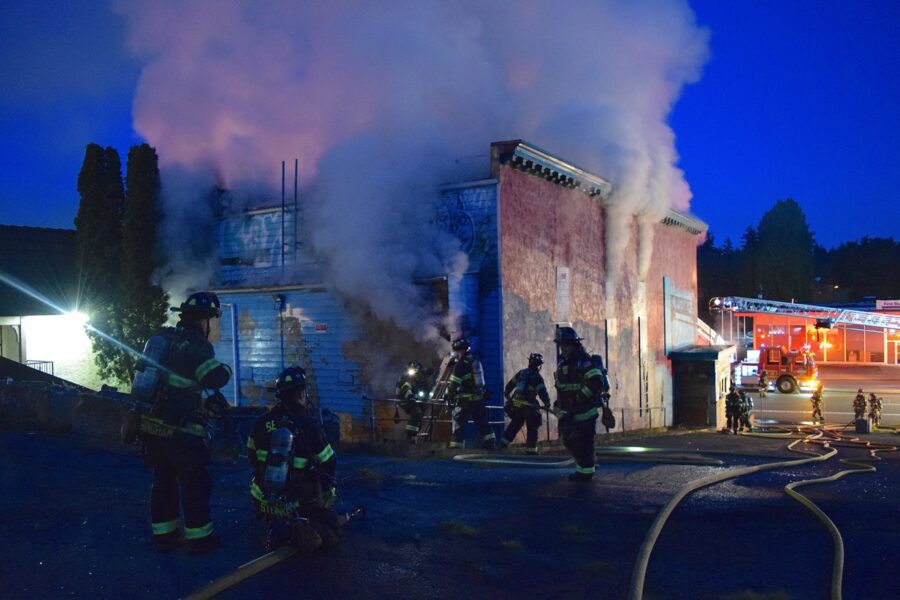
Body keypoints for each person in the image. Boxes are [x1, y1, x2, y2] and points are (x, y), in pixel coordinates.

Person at [141, 291, 232, 554]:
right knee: (195, 484)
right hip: (181, 429)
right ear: (204, 320)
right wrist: (225, 370)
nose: (212, 326)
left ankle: (165, 537)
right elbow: (212, 378)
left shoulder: (162, 339)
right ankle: (199, 539)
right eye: (212, 320)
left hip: (152, 426)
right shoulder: (197, 345)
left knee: (163, 482)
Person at [247, 366, 344, 553]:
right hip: (299, 503)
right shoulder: (309, 424)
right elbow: (329, 462)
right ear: (301, 394)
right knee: (329, 533)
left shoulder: (261, 422)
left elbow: (252, 457)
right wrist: (328, 489)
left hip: (263, 498)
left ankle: (273, 523)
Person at [553, 327, 609, 482]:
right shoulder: (564, 362)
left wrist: (578, 399)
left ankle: (586, 473)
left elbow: (596, 382)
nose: (562, 348)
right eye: (561, 345)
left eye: (564, 345)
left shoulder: (582, 360)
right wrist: (558, 403)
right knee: (569, 440)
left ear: (573, 344)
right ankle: (583, 469)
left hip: (584, 412)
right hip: (570, 413)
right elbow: (563, 387)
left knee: (583, 442)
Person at [446, 338, 496, 450]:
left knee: (459, 424)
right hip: (479, 400)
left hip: (465, 401)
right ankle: (491, 444)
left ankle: (455, 448)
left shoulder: (460, 364)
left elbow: (454, 383)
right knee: (483, 423)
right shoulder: (475, 360)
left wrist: (449, 395)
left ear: (458, 350)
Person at [498, 353, 551, 453]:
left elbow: (509, 386)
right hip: (529, 406)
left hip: (516, 404)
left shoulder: (521, 373)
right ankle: (531, 450)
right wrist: (547, 403)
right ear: (539, 365)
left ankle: (502, 444)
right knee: (532, 425)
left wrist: (508, 397)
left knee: (515, 424)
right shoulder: (537, 377)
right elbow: (542, 392)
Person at [394, 361, 431, 443]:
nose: (415, 372)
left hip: (416, 399)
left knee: (419, 416)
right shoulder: (406, 377)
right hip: (404, 399)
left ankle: (414, 436)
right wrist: (410, 396)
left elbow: (425, 389)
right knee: (416, 412)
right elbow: (406, 388)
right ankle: (409, 437)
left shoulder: (420, 378)